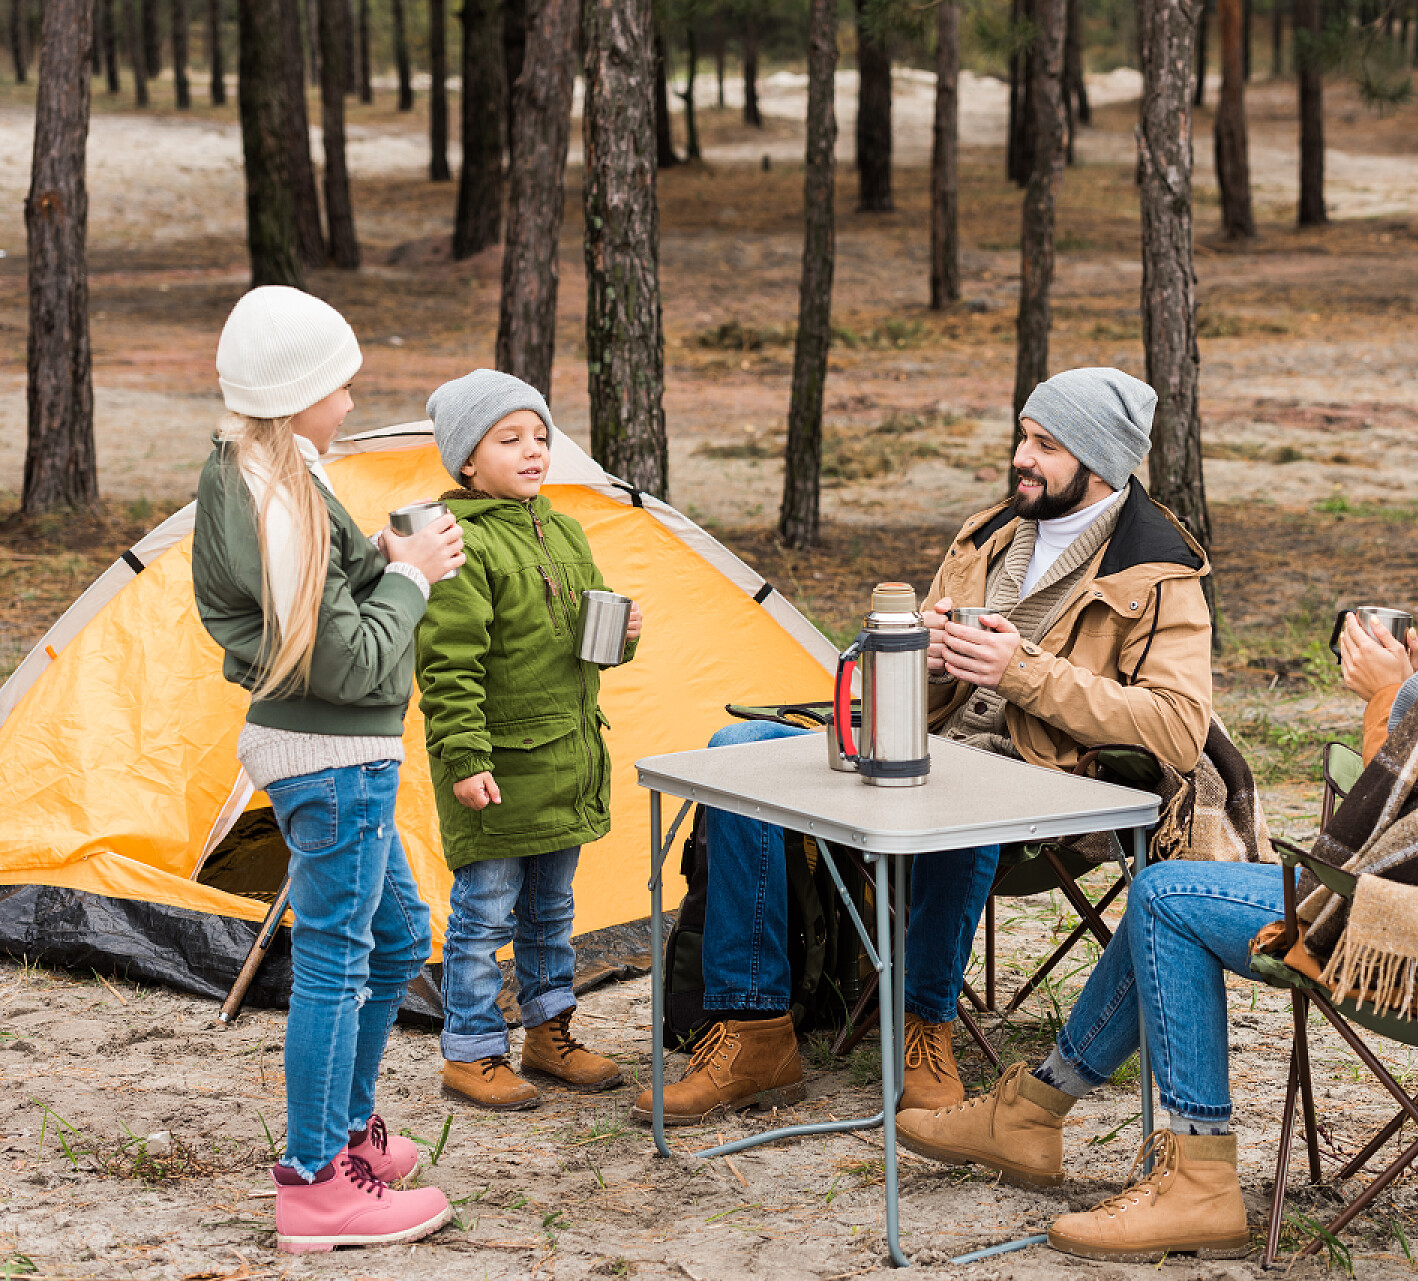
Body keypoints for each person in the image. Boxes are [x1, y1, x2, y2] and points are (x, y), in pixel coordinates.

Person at [893, 421, 1418, 1263]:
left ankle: (1189, 1177)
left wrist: (1388, 701)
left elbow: (1404, 835)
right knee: (1175, 888)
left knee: (1167, 893)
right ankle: (1033, 1112)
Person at [635, 366, 1214, 1124]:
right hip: (923, 753)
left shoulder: (1160, 572)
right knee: (737, 745)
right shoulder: (988, 535)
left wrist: (1024, 673)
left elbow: (1178, 725)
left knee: (968, 784)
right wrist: (922, 662)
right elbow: (906, 699)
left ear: (1098, 461)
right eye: (1023, 436)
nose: (1020, 457)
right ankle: (753, 1031)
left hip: (1047, 793)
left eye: (1042, 443)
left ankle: (924, 1025)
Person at [191, 286, 464, 1253]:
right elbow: (348, 658)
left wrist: (383, 554)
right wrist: (413, 573)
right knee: (338, 963)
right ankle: (315, 1186)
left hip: (330, 754)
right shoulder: (284, 499)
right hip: (336, 759)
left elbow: (299, 615)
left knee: (395, 939)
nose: (351, 403)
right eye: (340, 387)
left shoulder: (252, 469)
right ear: (299, 389)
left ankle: (345, 1137)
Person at [416, 370, 644, 1111]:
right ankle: (472, 1050)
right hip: (500, 768)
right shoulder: (459, 543)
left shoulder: (566, 529)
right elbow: (448, 665)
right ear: (466, 463)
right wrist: (465, 758)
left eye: (541, 437)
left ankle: (550, 1033)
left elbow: (583, 646)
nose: (533, 451)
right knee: (483, 915)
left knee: (551, 911)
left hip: (565, 760)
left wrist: (621, 637)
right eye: (509, 439)